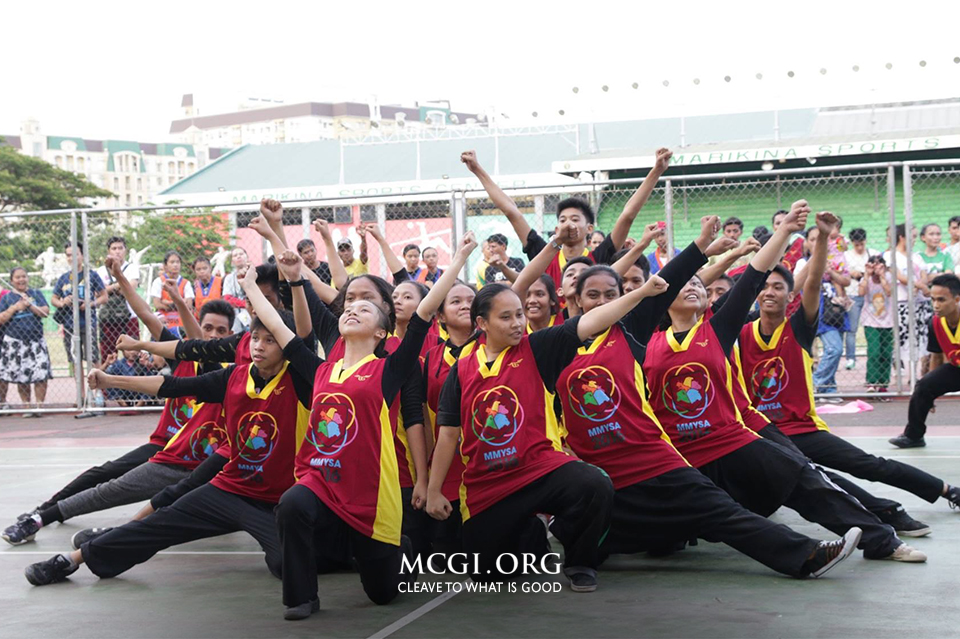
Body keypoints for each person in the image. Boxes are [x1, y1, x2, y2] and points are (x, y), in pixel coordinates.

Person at [556, 238, 861, 579]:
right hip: (603, 470)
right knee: (594, 534)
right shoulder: (554, 346)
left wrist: (702, 246)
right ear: (577, 300)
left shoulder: (630, 332)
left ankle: (807, 556)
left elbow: (674, 278)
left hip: (653, 457)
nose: (602, 301)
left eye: (611, 294)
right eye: (593, 295)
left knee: (719, 509)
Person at [645, 202, 922, 563]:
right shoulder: (643, 343)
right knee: (663, 538)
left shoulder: (717, 330)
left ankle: (881, 540)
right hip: (681, 454)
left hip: (731, 440)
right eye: (684, 282)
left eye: (699, 281)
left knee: (800, 477)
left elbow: (754, 276)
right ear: (663, 299)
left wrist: (786, 230)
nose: (694, 286)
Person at [24, 267, 312, 593]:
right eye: (256, 338)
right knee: (161, 514)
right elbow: (174, 381)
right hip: (228, 485)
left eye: (270, 339)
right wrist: (116, 374)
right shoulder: (233, 376)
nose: (259, 346)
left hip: (275, 500)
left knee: (283, 565)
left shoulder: (302, 380)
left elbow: (301, 333)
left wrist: (280, 279)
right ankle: (74, 558)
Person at [268, 236, 474, 620]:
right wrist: (260, 282)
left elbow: (426, 312)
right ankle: (300, 598)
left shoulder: (389, 370)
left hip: (373, 493)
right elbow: (284, 332)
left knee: (382, 594)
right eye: (350, 305)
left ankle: (402, 549)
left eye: (366, 308)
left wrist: (460, 257)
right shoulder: (322, 369)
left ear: (382, 332)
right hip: (325, 480)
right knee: (293, 502)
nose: (352, 310)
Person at [739, 219, 960, 526]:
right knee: (815, 477)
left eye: (778, 287)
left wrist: (823, 239)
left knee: (870, 465)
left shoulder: (798, 329)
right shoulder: (738, 333)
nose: (770, 292)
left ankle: (946, 489)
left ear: (791, 296)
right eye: (763, 287)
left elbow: (813, 283)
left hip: (802, 429)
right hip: (762, 434)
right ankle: (887, 512)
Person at [2, 256, 235, 545]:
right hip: (166, 444)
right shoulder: (182, 358)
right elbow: (147, 314)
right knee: (107, 473)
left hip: (197, 460)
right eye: (208, 328)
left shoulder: (229, 375)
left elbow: (199, 343)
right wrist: (120, 278)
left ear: (231, 337)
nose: (212, 335)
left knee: (166, 505)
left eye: (220, 331)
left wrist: (179, 303)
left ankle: (110, 536)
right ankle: (44, 511)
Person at [462, 148, 671, 302]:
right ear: (556, 230)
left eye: (575, 219)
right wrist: (477, 169)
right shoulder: (543, 254)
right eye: (562, 220)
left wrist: (656, 171)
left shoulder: (599, 257)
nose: (568, 224)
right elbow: (512, 212)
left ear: (589, 229)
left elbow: (627, 215)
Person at [421, 281, 477, 561]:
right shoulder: (430, 358)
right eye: (455, 301)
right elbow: (422, 415)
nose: (465, 304)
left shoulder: (494, 350)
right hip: (447, 467)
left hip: (487, 462)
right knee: (447, 558)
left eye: (471, 299)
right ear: (440, 316)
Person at [891, 273, 960, 448]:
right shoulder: (935, 323)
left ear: (957, 299)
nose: (936, 305)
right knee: (923, 386)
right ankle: (914, 436)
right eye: (933, 299)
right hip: (956, 369)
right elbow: (936, 356)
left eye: (942, 300)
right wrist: (932, 390)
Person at [796, 225, 850, 395]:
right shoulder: (802, 263)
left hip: (834, 308)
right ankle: (812, 384)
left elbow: (846, 280)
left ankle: (829, 389)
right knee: (834, 348)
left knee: (834, 348)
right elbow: (799, 284)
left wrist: (831, 271)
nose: (818, 243)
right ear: (806, 243)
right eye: (813, 240)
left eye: (822, 240)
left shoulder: (835, 261)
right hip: (816, 309)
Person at [51, 241, 107, 395]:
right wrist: (63, 302)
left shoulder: (91, 275)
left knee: (93, 359)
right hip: (70, 326)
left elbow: (104, 296)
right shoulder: (64, 278)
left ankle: (97, 394)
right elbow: (53, 299)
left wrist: (90, 303)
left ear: (82, 255)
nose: (72, 258)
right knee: (76, 361)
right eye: (69, 255)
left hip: (88, 324)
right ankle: (81, 395)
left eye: (75, 254)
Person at [0, 267, 51, 416]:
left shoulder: (35, 294)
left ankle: (39, 406)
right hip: (15, 341)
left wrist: (30, 305)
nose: (21, 280)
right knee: (22, 376)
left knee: (41, 374)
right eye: (17, 277)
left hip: (36, 340)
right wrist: (16, 307)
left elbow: (45, 312)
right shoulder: (7, 298)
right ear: (11, 281)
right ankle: (27, 406)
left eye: (23, 276)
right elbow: (1, 318)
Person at [883, 224, 929, 377]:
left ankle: (915, 375)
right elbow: (899, 276)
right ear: (902, 237)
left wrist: (921, 284)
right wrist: (919, 285)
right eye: (912, 236)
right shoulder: (891, 256)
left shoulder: (917, 256)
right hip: (901, 302)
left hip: (919, 302)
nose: (914, 240)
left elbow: (924, 274)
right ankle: (901, 369)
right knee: (902, 338)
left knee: (917, 338)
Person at [96, 236, 140, 362]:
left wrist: (108, 288)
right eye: (114, 248)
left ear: (125, 250)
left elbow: (130, 289)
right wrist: (120, 285)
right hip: (107, 318)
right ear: (108, 251)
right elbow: (97, 293)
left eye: (120, 248)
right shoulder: (101, 271)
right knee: (108, 356)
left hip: (129, 316)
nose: (117, 251)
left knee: (133, 353)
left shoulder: (131, 268)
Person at [917, 223, 953, 376]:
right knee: (926, 342)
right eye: (931, 234)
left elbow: (949, 276)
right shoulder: (918, 257)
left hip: (942, 305)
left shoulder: (945, 256)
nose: (936, 237)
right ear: (923, 238)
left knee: (944, 340)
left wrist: (929, 278)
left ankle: (945, 375)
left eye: (938, 234)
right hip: (923, 303)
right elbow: (919, 279)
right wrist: (935, 277)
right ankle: (925, 376)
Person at [842, 228, 879, 370]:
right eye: (857, 245)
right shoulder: (846, 255)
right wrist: (853, 273)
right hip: (853, 295)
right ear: (852, 243)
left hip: (871, 295)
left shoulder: (873, 253)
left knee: (875, 327)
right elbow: (844, 271)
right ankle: (851, 358)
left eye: (862, 244)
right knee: (852, 329)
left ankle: (875, 355)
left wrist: (864, 273)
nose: (859, 247)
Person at [860, 255, 895, 392]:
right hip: (870, 320)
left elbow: (889, 292)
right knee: (874, 351)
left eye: (879, 265)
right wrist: (867, 275)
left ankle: (883, 384)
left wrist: (882, 276)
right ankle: (871, 382)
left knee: (886, 353)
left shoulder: (888, 277)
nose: (876, 268)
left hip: (887, 320)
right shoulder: (867, 279)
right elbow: (860, 292)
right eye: (873, 265)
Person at [151, 250, 194, 337]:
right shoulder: (158, 281)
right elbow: (157, 304)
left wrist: (166, 302)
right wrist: (180, 303)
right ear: (165, 266)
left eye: (178, 262)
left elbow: (189, 305)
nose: (175, 265)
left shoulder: (186, 283)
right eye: (172, 262)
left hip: (182, 324)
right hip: (163, 323)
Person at [222, 247, 251, 331]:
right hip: (236, 316)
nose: (238, 256)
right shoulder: (229, 278)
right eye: (235, 255)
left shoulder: (256, 274)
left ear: (247, 257)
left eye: (241, 254)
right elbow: (227, 299)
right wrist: (246, 304)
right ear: (232, 261)